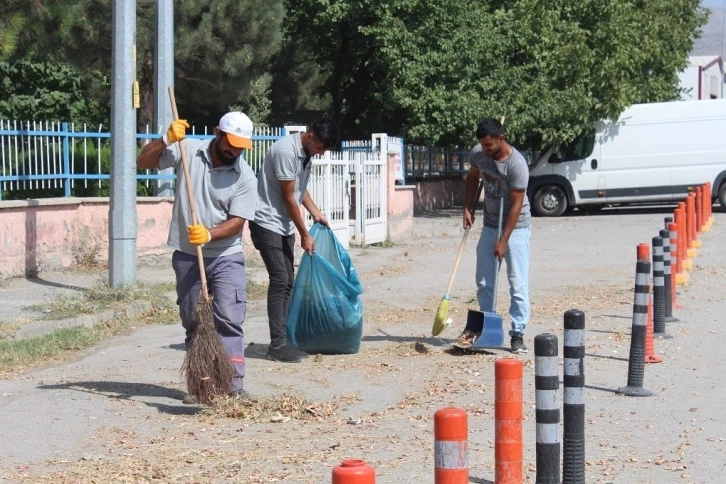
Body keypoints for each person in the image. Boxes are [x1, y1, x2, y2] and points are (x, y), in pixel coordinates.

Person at [136, 111, 258, 401]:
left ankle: (233, 388)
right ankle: (202, 387)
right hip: (188, 256)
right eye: (231, 143)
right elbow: (143, 162)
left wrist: (209, 234)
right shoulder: (187, 149)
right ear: (218, 133)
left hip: (226, 255)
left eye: (241, 146)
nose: (235, 151)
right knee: (195, 321)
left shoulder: (245, 175)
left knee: (228, 318)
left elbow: (239, 222)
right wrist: (166, 139)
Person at [250, 119, 340, 363]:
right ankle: (277, 344)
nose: (321, 153)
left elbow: (300, 189)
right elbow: (288, 196)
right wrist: (305, 233)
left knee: (288, 279)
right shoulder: (285, 152)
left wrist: (315, 212)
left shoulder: (305, 154)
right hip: (265, 221)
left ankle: (284, 340)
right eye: (320, 147)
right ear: (309, 135)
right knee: (280, 278)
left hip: (283, 223)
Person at [463, 117, 532, 354]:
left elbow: (516, 205)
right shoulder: (479, 154)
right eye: (482, 145)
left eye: (489, 145)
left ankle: (518, 333)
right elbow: (473, 177)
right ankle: (486, 328)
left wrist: (503, 241)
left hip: (517, 227)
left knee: (517, 283)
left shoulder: (517, 165)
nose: (484, 149)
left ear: (501, 139)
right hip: (491, 223)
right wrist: (467, 207)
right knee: (484, 281)